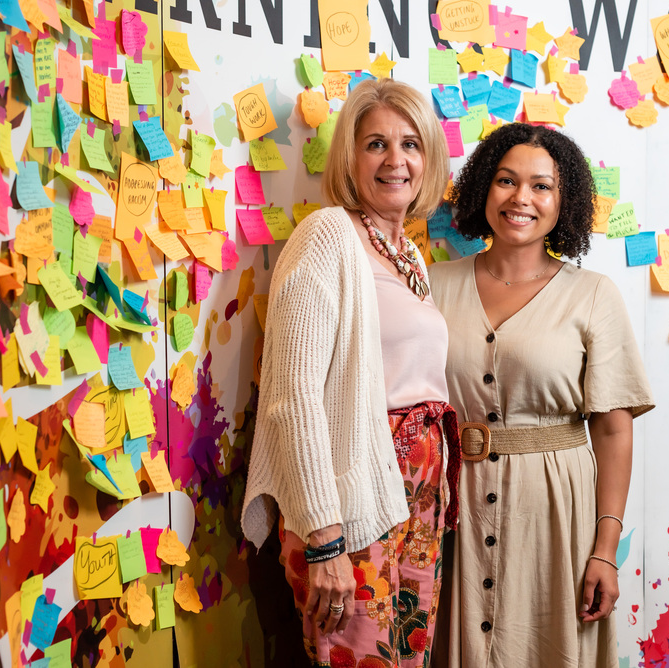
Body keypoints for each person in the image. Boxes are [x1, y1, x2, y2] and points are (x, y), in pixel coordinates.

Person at [242, 78, 458, 667]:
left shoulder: (409, 254)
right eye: (376, 144)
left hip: (414, 501)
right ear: (349, 157)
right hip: (348, 503)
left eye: (411, 144)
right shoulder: (327, 237)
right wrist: (324, 536)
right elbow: (293, 398)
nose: (396, 160)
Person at [430, 123, 654, 667]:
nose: (521, 198)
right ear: (484, 187)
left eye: (541, 186)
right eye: (506, 180)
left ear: (564, 201)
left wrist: (605, 550)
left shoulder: (594, 294)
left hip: (555, 514)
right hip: (450, 506)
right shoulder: (430, 284)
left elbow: (613, 428)